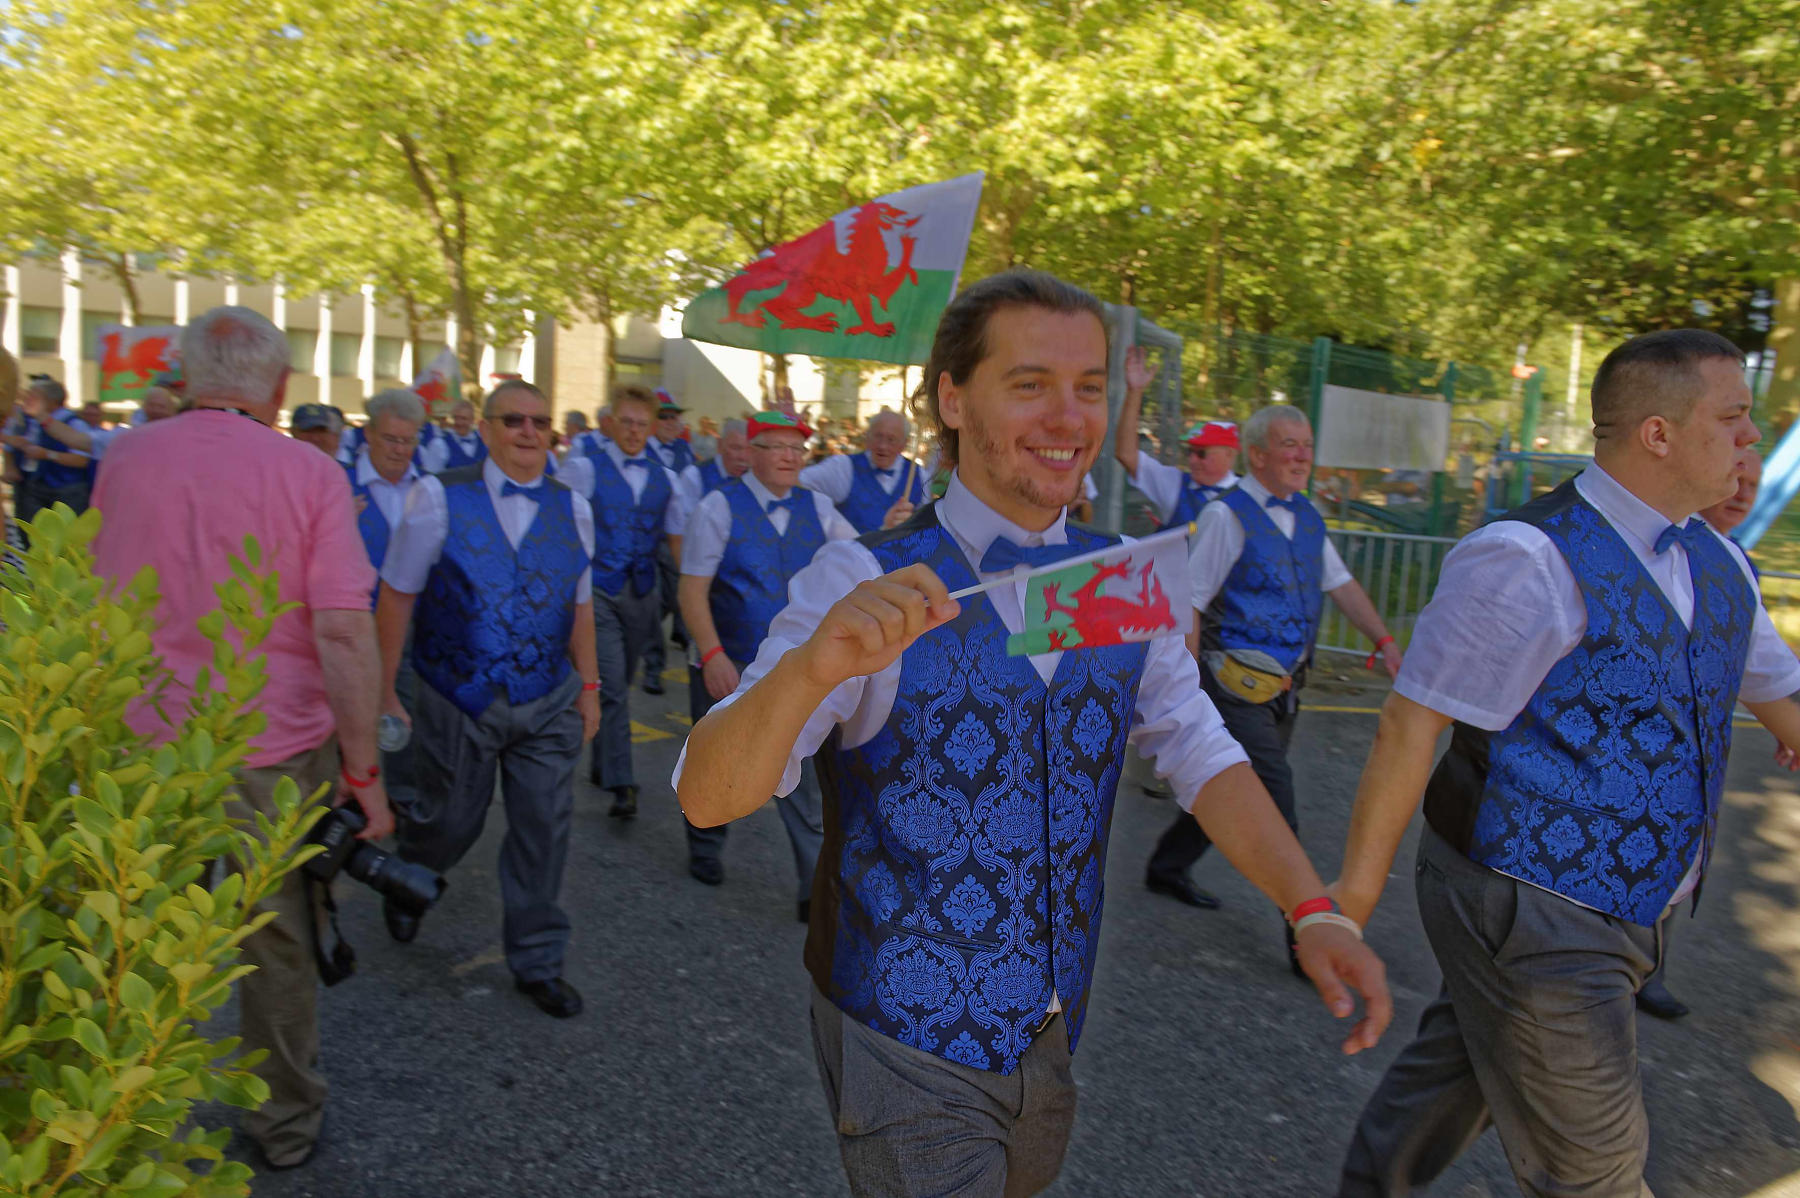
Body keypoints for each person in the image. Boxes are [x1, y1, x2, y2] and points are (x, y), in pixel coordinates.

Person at [675, 269, 1390, 1197]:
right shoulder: (856, 576)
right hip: (901, 1028)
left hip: (1054, 1021)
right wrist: (816, 668)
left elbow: (1203, 752)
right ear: (953, 400)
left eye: (1089, 387)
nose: (1069, 417)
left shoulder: (1119, 582)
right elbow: (707, 794)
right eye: (1030, 385)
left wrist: (1312, 907)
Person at [1332, 330, 1800, 1198]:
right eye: (1733, 418)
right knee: (1598, 1169)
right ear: (1657, 433)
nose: (1750, 441)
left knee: (1463, 1069)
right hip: (1534, 902)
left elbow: (1783, 696)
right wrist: (1345, 910)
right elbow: (1410, 725)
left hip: (1635, 907)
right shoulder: (1524, 559)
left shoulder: (1718, 560)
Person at [91, 305, 393, 1170]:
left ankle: (129, 1123)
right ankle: (283, 1123)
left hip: (144, 747)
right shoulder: (309, 473)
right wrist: (364, 770)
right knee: (276, 942)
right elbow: (342, 631)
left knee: (143, 941)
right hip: (274, 748)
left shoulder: (124, 458)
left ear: (184, 377)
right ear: (282, 389)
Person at [374, 379, 599, 1019]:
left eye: (538, 421)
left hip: (547, 696)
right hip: (458, 693)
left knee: (544, 827)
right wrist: (385, 690)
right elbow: (397, 595)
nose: (527, 432)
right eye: (513, 421)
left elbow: (578, 604)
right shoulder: (436, 498)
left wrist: (590, 687)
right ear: (487, 429)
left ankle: (538, 958)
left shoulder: (574, 507)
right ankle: (410, 876)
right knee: (451, 819)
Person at [1145, 404, 1402, 960]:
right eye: (1288, 444)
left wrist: (1383, 642)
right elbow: (1188, 599)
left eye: (1306, 444)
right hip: (1231, 685)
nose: (1302, 455)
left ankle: (1166, 866)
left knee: (1235, 786)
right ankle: (1309, 937)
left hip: (1285, 687)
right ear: (1257, 455)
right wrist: (1185, 685)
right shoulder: (1225, 516)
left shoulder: (1308, 516)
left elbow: (1343, 584)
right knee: (1276, 799)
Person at [677, 410, 856, 916]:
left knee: (796, 777)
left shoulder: (818, 508)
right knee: (714, 760)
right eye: (776, 447)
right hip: (728, 657)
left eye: (797, 449)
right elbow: (692, 589)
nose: (789, 457)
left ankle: (812, 886)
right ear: (750, 453)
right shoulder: (717, 507)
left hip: (791, 666)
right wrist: (711, 654)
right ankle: (706, 844)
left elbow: (860, 553)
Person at [561, 385, 683, 818]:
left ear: (652, 427)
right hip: (596, 591)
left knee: (621, 681)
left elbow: (676, 541)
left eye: (641, 424)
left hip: (642, 593)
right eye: (626, 422)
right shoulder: (582, 470)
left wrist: (691, 594)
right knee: (611, 685)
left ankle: (602, 762)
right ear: (610, 423)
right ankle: (622, 782)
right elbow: (559, 527)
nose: (633, 431)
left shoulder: (666, 477)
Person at [1112, 347, 1240, 529]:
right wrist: (1135, 392)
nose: (1192, 459)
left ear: (1229, 454)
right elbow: (1126, 454)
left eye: (1202, 453)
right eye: (1190, 452)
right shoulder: (1175, 484)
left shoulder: (1251, 495)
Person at [798, 407, 927, 533]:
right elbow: (797, 482)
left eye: (891, 440)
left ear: (904, 443)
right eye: (878, 436)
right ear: (867, 437)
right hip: (849, 552)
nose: (883, 446)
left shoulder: (920, 475)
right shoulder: (842, 468)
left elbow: (926, 528)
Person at [2, 375, 94, 520]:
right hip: (33, 486)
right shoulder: (29, 420)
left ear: (52, 402)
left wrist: (47, 454)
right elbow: (13, 441)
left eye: (34, 397)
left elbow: (82, 460)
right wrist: (10, 463)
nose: (27, 399)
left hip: (66, 490)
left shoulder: (74, 423)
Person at [674, 416, 750, 514]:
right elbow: (681, 524)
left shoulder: (753, 477)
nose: (743, 457)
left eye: (749, 449)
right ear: (720, 445)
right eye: (736, 448)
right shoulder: (694, 476)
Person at [437, 398, 488, 471]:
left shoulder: (484, 442)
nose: (459, 423)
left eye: (463, 418)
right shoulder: (440, 444)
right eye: (456, 418)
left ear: (472, 420)